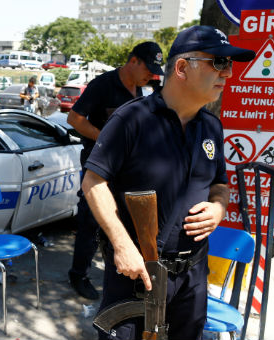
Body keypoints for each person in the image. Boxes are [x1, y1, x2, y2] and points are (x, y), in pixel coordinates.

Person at [83, 25, 255, 339]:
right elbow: (93, 182)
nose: (227, 73)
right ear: (181, 68)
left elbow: (219, 184)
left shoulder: (211, 127)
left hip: (192, 277)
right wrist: (122, 246)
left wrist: (218, 208)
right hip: (135, 274)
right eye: (218, 63)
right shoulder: (131, 119)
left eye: (230, 65)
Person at [67, 41, 164, 300]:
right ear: (133, 61)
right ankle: (79, 274)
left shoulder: (143, 89)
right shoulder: (103, 85)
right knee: (91, 221)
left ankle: (121, 271)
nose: (151, 75)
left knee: (125, 221)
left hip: (128, 170)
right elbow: (74, 119)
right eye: (148, 68)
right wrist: (104, 139)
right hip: (98, 169)